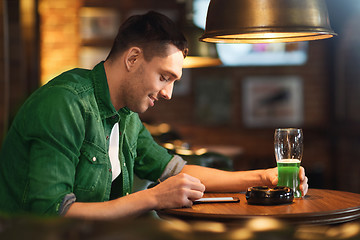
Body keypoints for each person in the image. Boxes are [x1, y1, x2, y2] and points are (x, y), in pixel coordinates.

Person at [0, 11, 308, 219]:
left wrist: (262, 177)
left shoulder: (127, 114)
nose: (168, 93)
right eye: (164, 77)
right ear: (133, 58)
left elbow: (175, 171)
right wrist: (153, 198)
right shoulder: (64, 104)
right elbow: (52, 213)